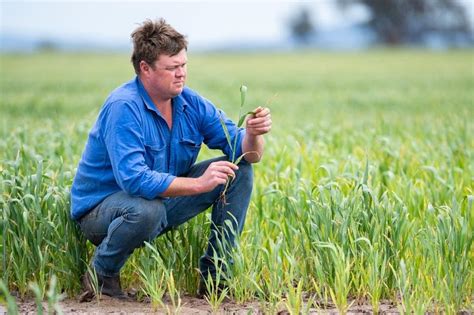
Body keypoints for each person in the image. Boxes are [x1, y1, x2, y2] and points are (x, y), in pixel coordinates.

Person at [70, 18, 272, 300]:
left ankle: (216, 278)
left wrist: (253, 134)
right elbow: (134, 180)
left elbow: (248, 153)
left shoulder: (191, 103)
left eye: (184, 65)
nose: (181, 74)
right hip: (101, 211)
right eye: (172, 68)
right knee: (146, 210)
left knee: (239, 170)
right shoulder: (123, 107)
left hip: (158, 203)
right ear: (145, 68)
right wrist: (199, 184)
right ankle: (101, 275)